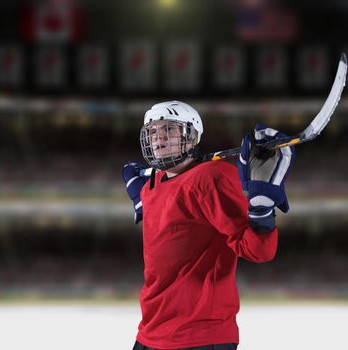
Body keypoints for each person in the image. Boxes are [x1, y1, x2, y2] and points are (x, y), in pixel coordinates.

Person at [122, 101, 294, 350]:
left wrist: (261, 207)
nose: (158, 138)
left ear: (190, 137)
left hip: (199, 336)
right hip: (151, 332)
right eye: (152, 132)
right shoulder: (155, 182)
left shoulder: (210, 178)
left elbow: (258, 250)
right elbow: (171, 211)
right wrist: (139, 196)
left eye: (168, 130)